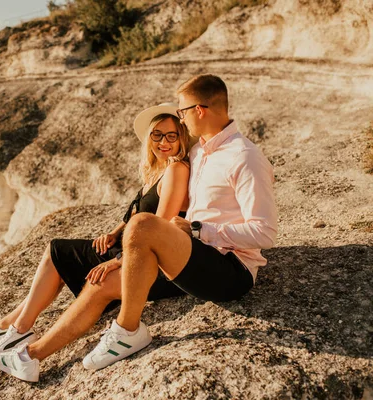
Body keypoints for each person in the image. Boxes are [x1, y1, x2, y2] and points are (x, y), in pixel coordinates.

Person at [0, 105, 192, 382]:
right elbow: (136, 213)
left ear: (182, 138)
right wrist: (113, 233)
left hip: (146, 258)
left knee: (60, 254)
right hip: (128, 247)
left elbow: (159, 225)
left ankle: (18, 330)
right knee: (58, 253)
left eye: (171, 136)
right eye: (157, 135)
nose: (163, 143)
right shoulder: (158, 170)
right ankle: (15, 326)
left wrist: (117, 260)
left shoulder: (177, 170)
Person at [79, 74, 278, 370]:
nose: (180, 120)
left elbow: (265, 233)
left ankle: (127, 331)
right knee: (115, 265)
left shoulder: (245, 157)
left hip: (232, 271)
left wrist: (198, 229)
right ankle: (33, 351)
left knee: (143, 226)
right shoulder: (199, 152)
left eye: (182, 112)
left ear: (200, 110)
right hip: (198, 251)